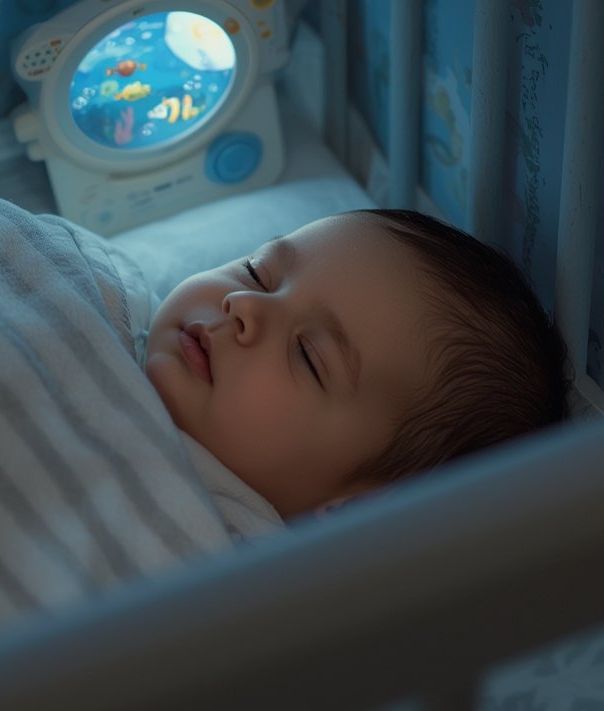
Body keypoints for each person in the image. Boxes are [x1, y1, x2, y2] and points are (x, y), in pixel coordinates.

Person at [144, 208, 571, 520]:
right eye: (256, 272)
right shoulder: (102, 290)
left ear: (355, 507)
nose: (243, 304)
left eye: (308, 357)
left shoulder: (234, 583)